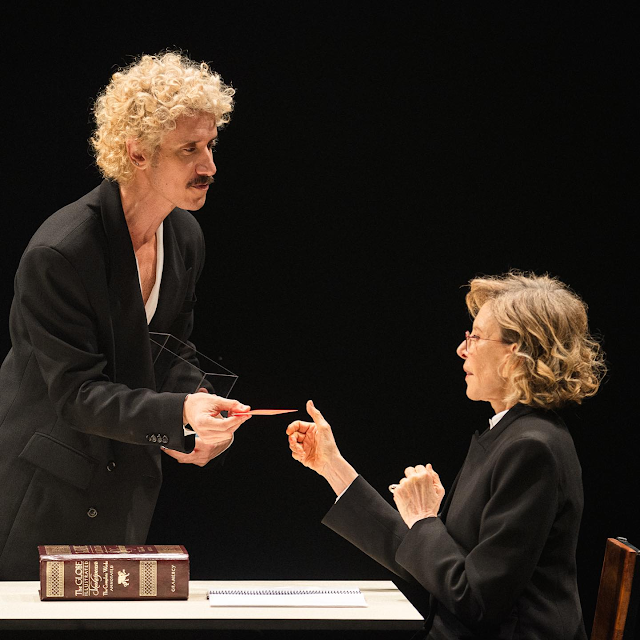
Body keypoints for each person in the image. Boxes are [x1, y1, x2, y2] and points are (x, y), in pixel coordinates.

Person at [0, 51, 252, 580]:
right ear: (138, 152)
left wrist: (202, 411)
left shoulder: (183, 236)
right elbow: (77, 394)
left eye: (210, 144)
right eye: (189, 149)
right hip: (40, 494)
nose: (210, 166)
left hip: (123, 489)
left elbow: (170, 351)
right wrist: (179, 413)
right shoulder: (62, 253)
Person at [287, 272, 606, 640]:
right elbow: (431, 565)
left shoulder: (532, 448)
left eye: (476, 337)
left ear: (515, 354)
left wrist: (425, 519)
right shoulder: (508, 435)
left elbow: (476, 601)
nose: (462, 349)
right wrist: (332, 466)